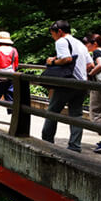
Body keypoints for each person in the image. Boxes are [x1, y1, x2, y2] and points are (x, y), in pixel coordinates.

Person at [41, 20, 88, 153]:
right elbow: (90, 65)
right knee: (76, 115)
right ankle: (75, 146)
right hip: (83, 83)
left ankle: (47, 142)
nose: (53, 37)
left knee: (52, 112)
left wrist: (52, 62)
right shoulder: (80, 43)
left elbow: (67, 59)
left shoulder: (61, 41)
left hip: (68, 83)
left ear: (59, 31)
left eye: (53, 34)